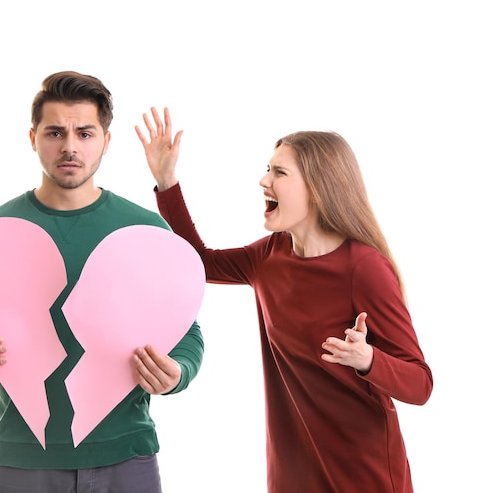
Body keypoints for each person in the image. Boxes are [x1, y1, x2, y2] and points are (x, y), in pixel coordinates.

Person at [135, 107, 433, 493]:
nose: (264, 180)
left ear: (318, 187)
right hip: (293, 472)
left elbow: (421, 384)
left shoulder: (364, 268)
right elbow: (199, 262)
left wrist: (368, 359)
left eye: (279, 173)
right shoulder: (269, 256)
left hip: (362, 474)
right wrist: (166, 181)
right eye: (268, 169)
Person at [0, 73, 204, 493]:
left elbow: (187, 332)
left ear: (106, 142)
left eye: (85, 132)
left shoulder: (145, 229)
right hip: (25, 459)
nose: (70, 146)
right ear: (33, 138)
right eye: (55, 132)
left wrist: (178, 374)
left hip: (127, 453)